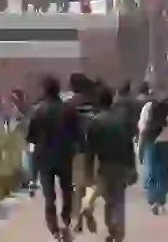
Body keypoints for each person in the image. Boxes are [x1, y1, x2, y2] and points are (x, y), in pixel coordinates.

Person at [26, 75, 78, 240]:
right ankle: (66, 220)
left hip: (44, 157)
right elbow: (76, 134)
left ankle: (54, 228)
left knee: (49, 195)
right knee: (67, 190)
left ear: (44, 91)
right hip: (65, 155)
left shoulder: (38, 111)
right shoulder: (69, 110)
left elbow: (31, 138)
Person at [85, 86, 135, 242]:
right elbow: (129, 145)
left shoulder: (96, 122)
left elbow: (90, 150)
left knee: (109, 200)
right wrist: (132, 167)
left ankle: (112, 227)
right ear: (112, 100)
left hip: (104, 165)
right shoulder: (122, 120)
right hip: (122, 164)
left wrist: (88, 172)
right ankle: (118, 232)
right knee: (119, 199)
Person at [138, 91, 168, 214]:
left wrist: (139, 149)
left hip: (150, 143)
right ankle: (161, 201)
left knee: (150, 170)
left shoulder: (148, 107)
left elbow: (142, 128)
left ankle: (152, 199)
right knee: (164, 173)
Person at [66, 73, 100, 234]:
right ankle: (88, 208)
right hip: (94, 149)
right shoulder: (95, 103)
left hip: (75, 150)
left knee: (76, 187)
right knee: (92, 185)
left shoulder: (69, 105)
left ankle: (77, 220)